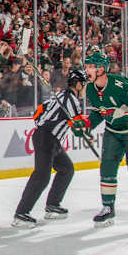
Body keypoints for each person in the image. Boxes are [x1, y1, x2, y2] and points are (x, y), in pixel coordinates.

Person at [71, 52, 128, 232]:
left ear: (101, 69)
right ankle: (108, 208)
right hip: (113, 132)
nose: (86, 70)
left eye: (90, 67)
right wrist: (85, 124)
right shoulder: (92, 89)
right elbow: (99, 113)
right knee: (107, 168)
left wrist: (126, 115)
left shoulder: (120, 85)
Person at [12, 69, 87, 228]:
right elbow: (77, 126)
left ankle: (53, 205)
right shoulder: (72, 100)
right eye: (84, 84)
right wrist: (85, 132)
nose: (85, 88)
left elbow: (38, 113)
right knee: (41, 176)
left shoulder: (59, 95)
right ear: (79, 85)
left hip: (48, 138)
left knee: (66, 169)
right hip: (47, 139)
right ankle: (21, 214)